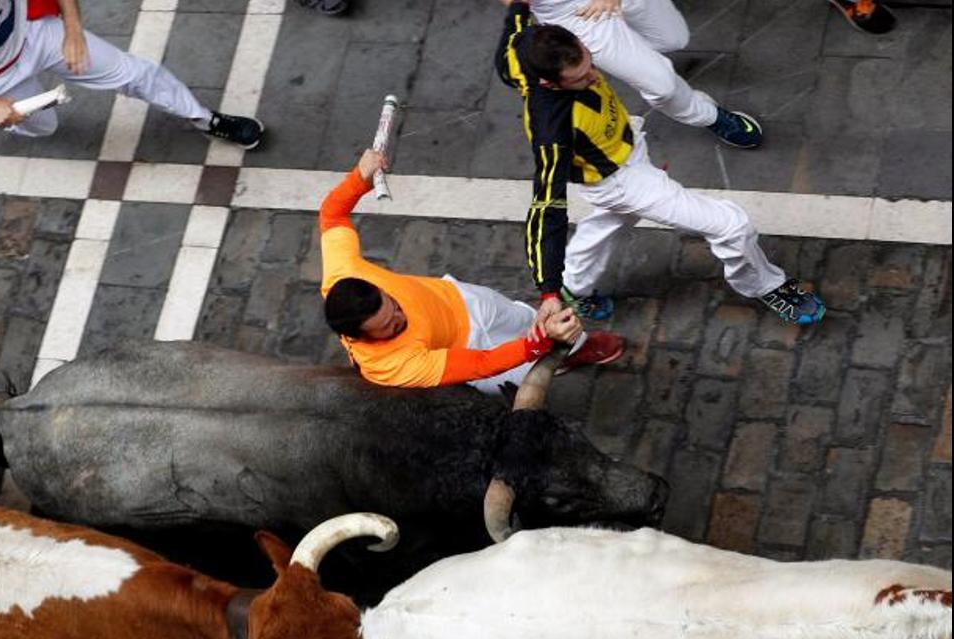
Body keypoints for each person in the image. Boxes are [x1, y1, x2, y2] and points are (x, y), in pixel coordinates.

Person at [495, 9, 826, 327]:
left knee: (612, 221)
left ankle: (576, 288)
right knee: (731, 226)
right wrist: (547, 289)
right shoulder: (551, 131)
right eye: (581, 79)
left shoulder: (524, 48)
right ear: (550, 84)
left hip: (626, 144)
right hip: (623, 182)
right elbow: (546, 208)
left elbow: (512, 31)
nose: (594, 76)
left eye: (588, 62)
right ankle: (765, 285)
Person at [320, 148, 625, 395]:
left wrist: (360, 177)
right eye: (389, 325)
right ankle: (565, 354)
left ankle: (571, 345)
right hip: (470, 349)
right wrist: (540, 343)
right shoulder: (391, 366)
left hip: (463, 300)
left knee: (524, 317)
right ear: (362, 337)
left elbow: (332, 215)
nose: (400, 316)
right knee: (529, 367)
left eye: (394, 305)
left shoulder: (343, 272)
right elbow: (483, 362)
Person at [0, 0, 264, 148]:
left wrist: (72, 29)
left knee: (136, 73)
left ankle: (205, 119)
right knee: (45, 127)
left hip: (35, 31)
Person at [510, 0, 763, 148]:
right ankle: (709, 116)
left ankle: (640, 57)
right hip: (571, 15)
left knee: (674, 38)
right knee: (663, 85)